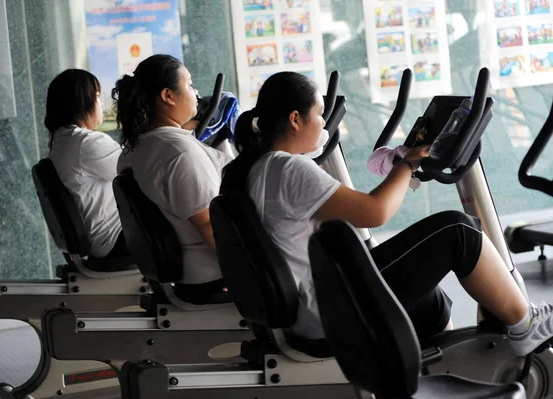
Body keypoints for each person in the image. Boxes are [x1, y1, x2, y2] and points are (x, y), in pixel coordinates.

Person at [221, 71, 553, 356]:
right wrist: (407, 163)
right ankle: (525, 326)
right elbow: (374, 212)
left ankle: (434, 368)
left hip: (313, 308)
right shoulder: (287, 168)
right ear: (295, 120)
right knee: (457, 230)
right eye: (320, 115)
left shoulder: (258, 168)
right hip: (326, 312)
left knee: (429, 296)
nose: (324, 124)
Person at [113, 54, 231, 298]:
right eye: (189, 84)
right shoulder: (179, 153)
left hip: (190, 271)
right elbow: (209, 222)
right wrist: (245, 277)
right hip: (212, 274)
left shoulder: (134, 149)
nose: (195, 92)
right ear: (168, 95)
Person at [46, 69, 127, 259]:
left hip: (101, 240)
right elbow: (137, 169)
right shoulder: (85, 142)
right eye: (97, 96)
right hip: (115, 237)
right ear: (82, 102)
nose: (101, 104)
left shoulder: (62, 141)